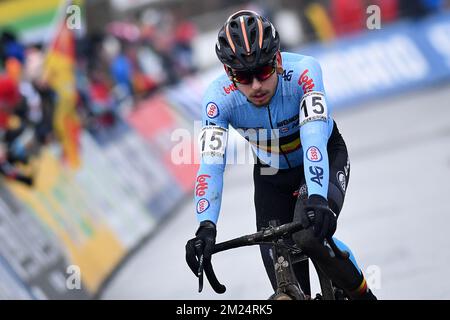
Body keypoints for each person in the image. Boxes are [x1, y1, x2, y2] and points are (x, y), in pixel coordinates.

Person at [185, 10, 376, 300]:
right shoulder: (217, 98)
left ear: (277, 60)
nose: (257, 86)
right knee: (285, 286)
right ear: (228, 73)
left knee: (310, 237)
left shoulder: (304, 72)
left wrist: (317, 197)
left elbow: (313, 138)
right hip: (270, 175)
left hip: (322, 154)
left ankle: (364, 296)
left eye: (263, 71)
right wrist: (206, 226)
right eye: (244, 77)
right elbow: (211, 164)